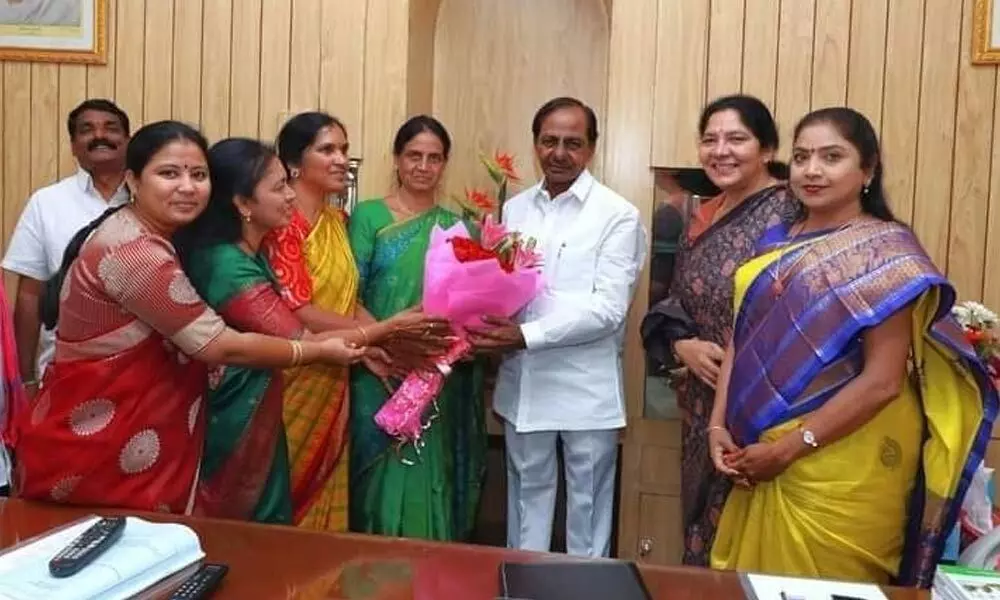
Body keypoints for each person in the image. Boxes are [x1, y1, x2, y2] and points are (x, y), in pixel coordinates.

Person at [9, 121, 368, 514]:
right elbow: (216, 344)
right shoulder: (135, 253)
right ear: (132, 179)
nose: (187, 186)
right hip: (103, 451)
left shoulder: (159, 238)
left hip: (134, 441)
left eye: (198, 175)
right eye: (168, 173)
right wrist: (313, 351)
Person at [708, 107, 998, 587]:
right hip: (758, 451)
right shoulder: (772, 243)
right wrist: (719, 426)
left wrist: (790, 451)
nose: (812, 170)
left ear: (868, 168)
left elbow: (883, 381)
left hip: (842, 465)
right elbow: (741, 338)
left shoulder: (885, 253)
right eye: (801, 157)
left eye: (831, 156)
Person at [178, 138, 451, 523]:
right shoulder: (227, 265)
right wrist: (388, 328)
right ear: (242, 204)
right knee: (244, 527)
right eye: (278, 188)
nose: (289, 195)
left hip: (261, 405)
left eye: (287, 184)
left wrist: (374, 343)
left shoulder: (250, 252)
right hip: (236, 415)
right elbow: (301, 340)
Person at [470, 97, 646, 558]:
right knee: (525, 507)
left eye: (573, 143)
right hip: (524, 384)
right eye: (550, 141)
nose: (560, 152)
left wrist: (524, 336)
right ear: (536, 145)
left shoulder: (617, 215)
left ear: (591, 149)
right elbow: (506, 288)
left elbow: (609, 309)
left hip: (585, 391)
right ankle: (522, 587)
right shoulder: (515, 211)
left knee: (587, 514)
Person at [640, 94, 799, 566]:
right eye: (710, 140)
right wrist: (680, 344)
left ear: (767, 149)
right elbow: (670, 302)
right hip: (699, 403)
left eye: (737, 139)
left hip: (766, 405)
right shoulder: (701, 214)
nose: (720, 150)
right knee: (702, 540)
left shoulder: (793, 211)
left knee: (753, 544)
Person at [348, 115, 487, 541]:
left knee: (429, 467)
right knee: (379, 468)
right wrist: (386, 347)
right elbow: (348, 294)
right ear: (397, 159)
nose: (423, 166)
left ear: (445, 164)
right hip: (377, 364)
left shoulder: (461, 228)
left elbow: (472, 306)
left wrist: (439, 353)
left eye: (434, 158)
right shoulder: (369, 216)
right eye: (414, 156)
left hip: (435, 374)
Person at [262, 112, 398, 531]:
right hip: (293, 376)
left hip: (335, 374)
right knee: (288, 490)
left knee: (325, 487)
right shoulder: (282, 227)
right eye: (327, 149)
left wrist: (382, 344)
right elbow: (298, 310)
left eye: (343, 149)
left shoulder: (337, 222)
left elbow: (348, 298)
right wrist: (378, 335)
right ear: (293, 164)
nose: (341, 159)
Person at [3, 99, 131, 399]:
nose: (100, 135)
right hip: (63, 372)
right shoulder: (47, 203)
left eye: (111, 128)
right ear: (73, 146)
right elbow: (30, 294)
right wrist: (26, 380)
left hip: (144, 374)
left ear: (127, 141)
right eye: (87, 130)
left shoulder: (154, 200)